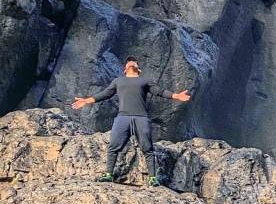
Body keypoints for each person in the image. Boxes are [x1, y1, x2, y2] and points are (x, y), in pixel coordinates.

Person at [71, 56, 191, 186]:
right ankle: (108, 175)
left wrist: (177, 96)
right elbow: (105, 94)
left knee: (147, 148)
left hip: (141, 117)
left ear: (138, 69)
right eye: (128, 62)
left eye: (134, 62)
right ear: (124, 69)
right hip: (123, 117)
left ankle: (152, 178)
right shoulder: (118, 81)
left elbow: (160, 92)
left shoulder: (145, 81)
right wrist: (86, 101)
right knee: (113, 146)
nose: (131, 62)